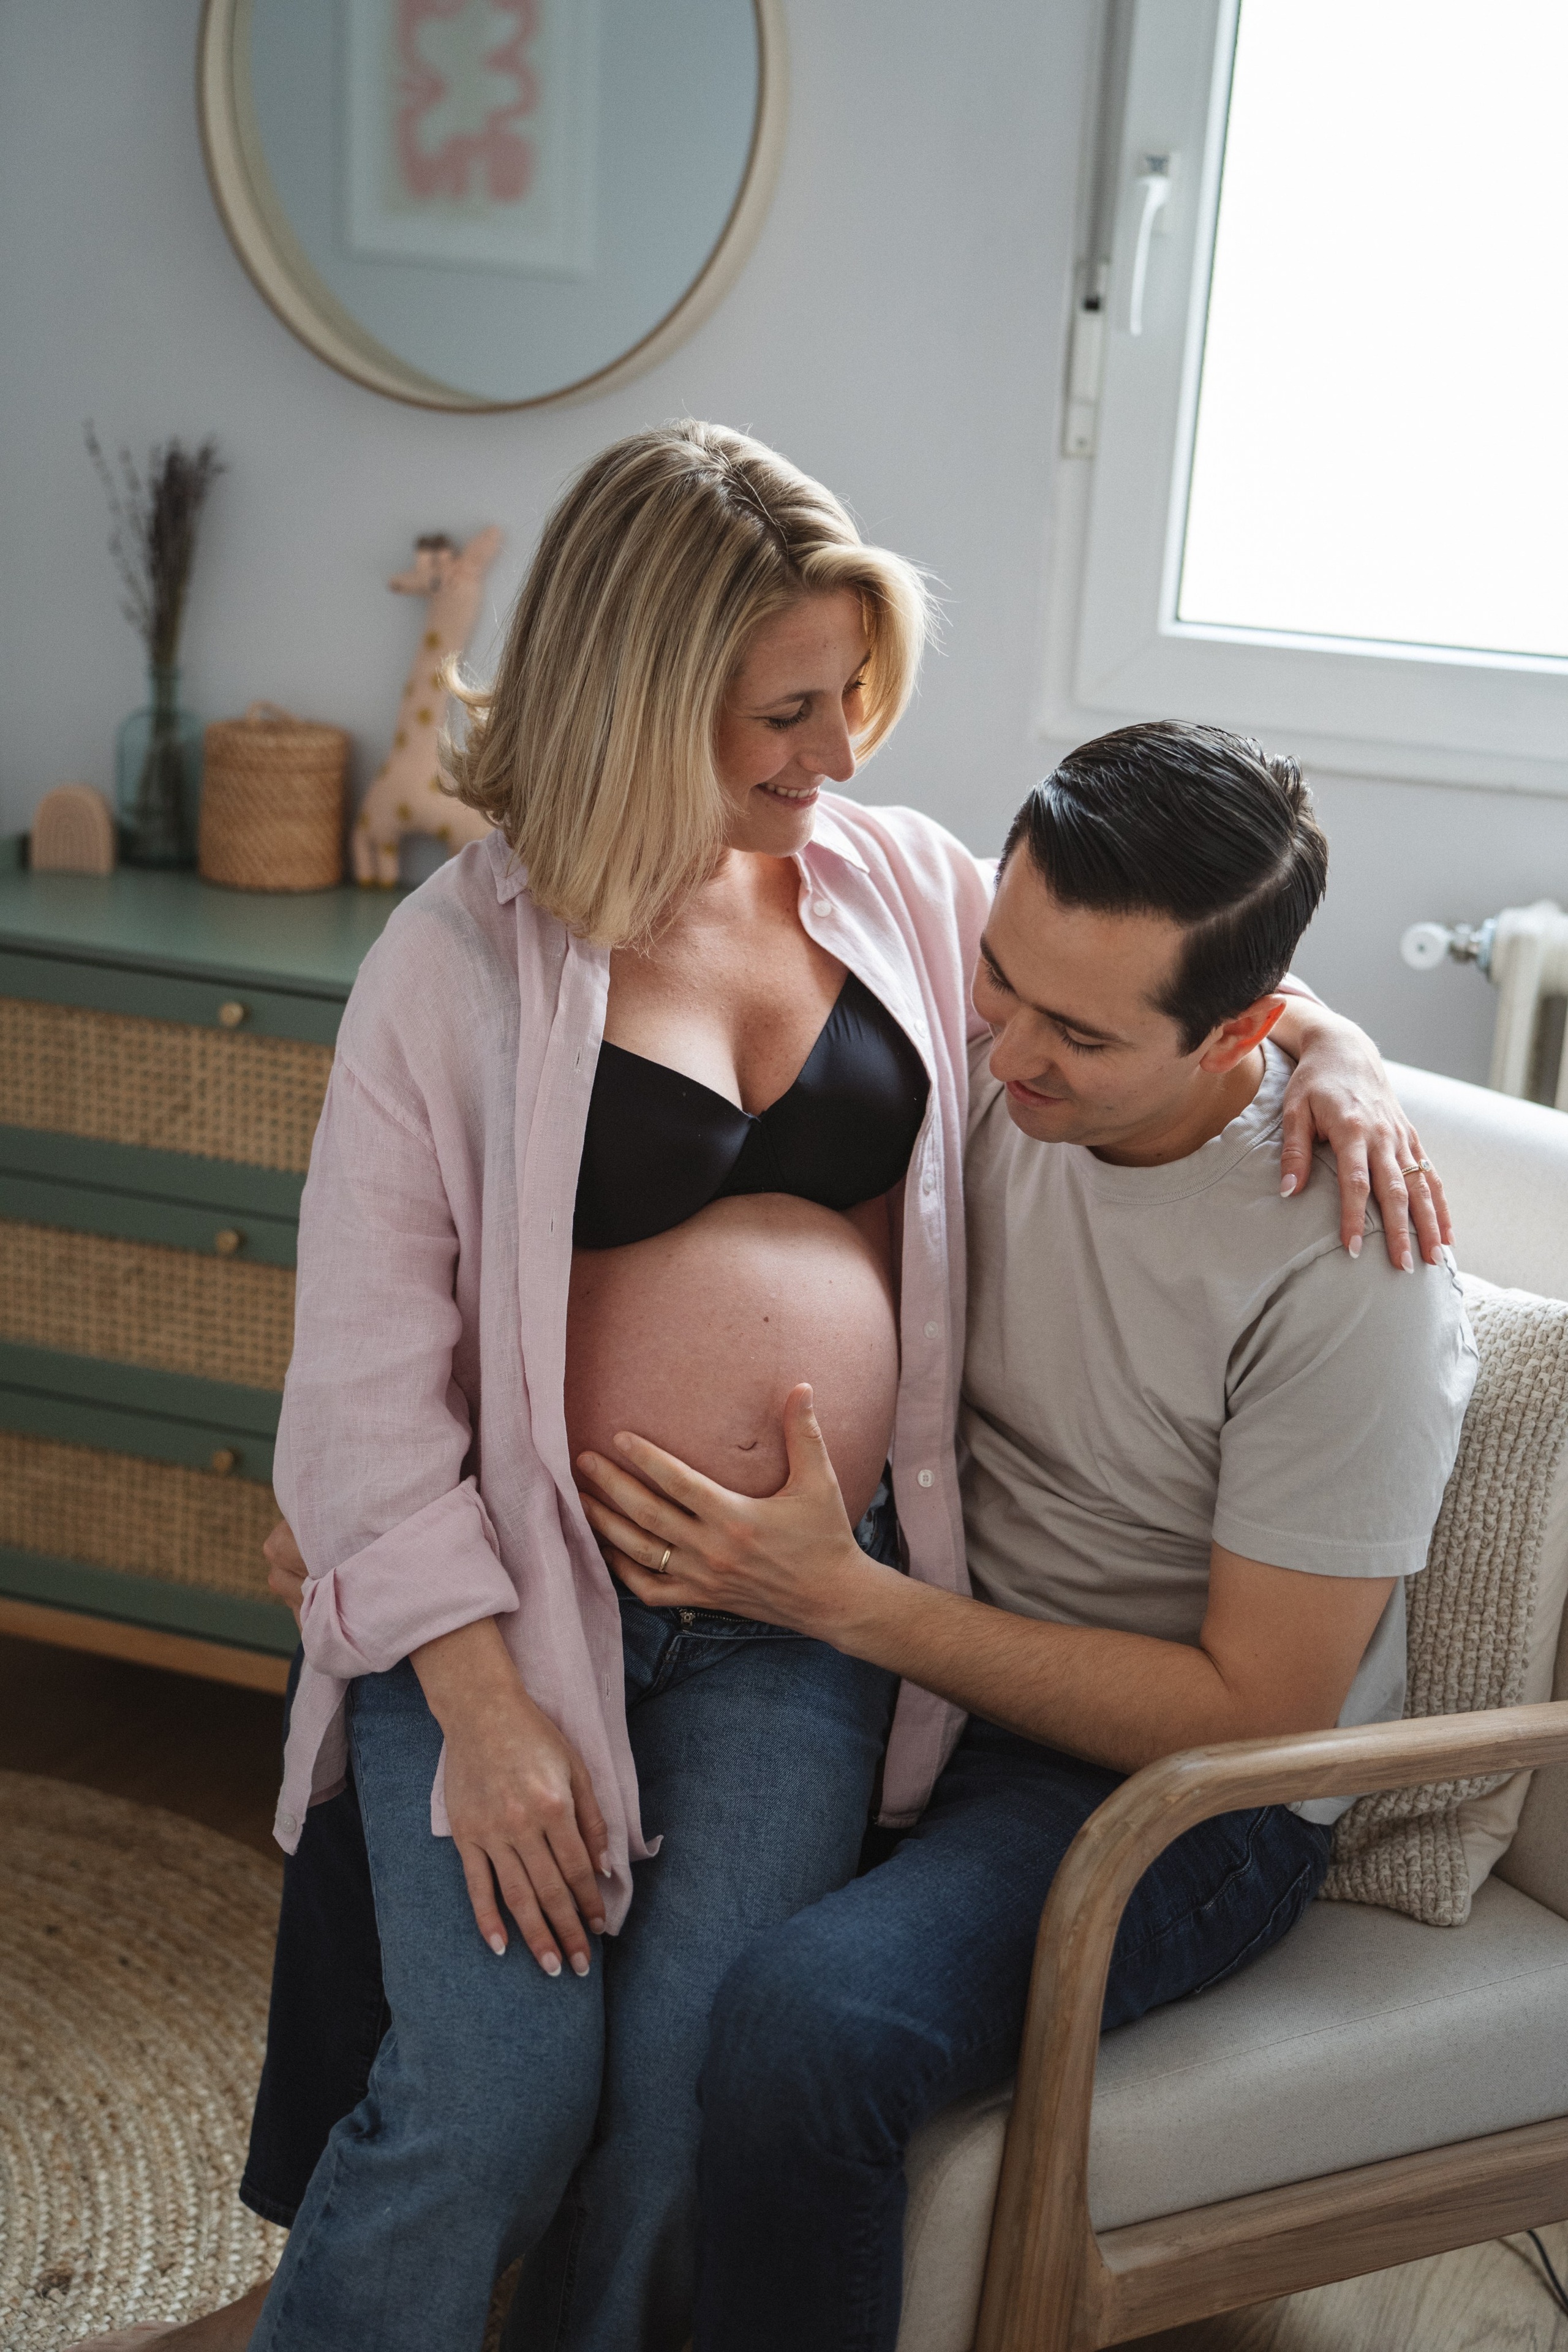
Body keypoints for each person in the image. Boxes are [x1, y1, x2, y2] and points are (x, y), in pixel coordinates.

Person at [66, 450, 1439, 2352]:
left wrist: (1350, 1055)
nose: (841, 755)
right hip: (519, 1608)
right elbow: (366, 1372)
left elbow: (1177, 990)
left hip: (804, 1629)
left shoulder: (882, 884)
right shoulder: (458, 961)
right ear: (642, 688)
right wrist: (474, 1701)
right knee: (495, 2098)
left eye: (853, 701)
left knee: (682, 2119)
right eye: (789, 711)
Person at [584, 721, 1477, 2352]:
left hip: (1177, 1795)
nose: (1003, 1058)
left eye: (1078, 1033)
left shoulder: (1348, 1269)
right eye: (1004, 980)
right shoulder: (989, 1013)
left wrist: (839, 1602)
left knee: (806, 2028)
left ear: (1243, 1034)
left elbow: (1251, 1716)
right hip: (914, 1673)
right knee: (477, 1814)